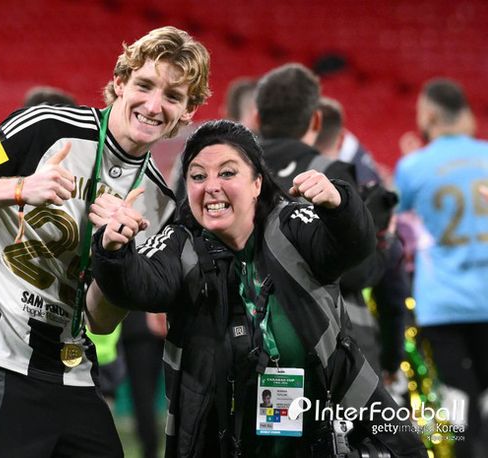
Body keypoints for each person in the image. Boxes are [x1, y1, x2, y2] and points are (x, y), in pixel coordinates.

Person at [0, 25, 211, 458]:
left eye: (172, 96)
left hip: (73, 371)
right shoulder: (46, 127)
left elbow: (100, 320)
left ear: (188, 111)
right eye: (145, 85)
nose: (154, 106)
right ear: (119, 82)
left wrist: (115, 254)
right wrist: (21, 188)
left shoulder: (159, 201)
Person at [89, 120, 426, 457]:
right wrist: (113, 249)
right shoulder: (180, 244)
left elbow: (352, 248)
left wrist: (340, 205)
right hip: (218, 443)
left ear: (257, 183)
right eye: (198, 176)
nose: (211, 186)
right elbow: (137, 284)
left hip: (326, 434)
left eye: (227, 173)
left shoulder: (291, 226)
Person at [395, 78, 488, 457]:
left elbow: (395, 220)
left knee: (456, 399)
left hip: (442, 303)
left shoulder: (413, 166)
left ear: (429, 115)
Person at [316, 96, 408, 384]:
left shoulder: (262, 183)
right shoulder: (360, 195)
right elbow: (390, 289)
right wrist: (392, 359)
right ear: (340, 137)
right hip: (352, 343)